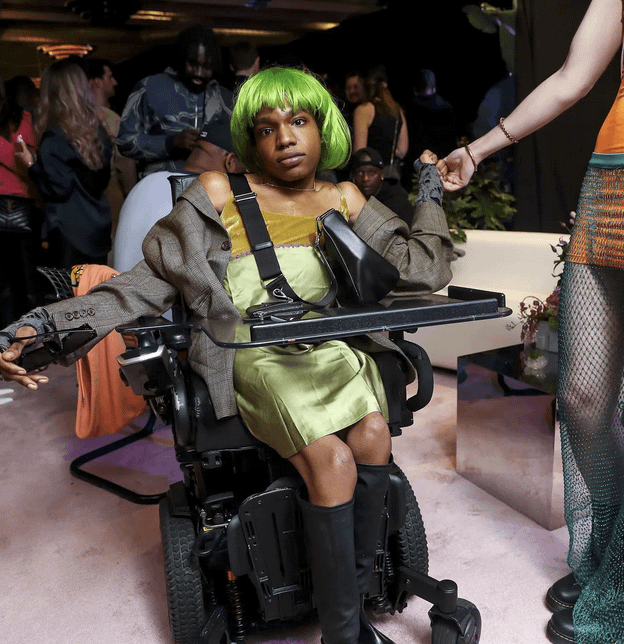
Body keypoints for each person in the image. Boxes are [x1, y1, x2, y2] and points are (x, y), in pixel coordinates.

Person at [0, 66, 452, 644]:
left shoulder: (344, 196)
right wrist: (40, 327)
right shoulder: (217, 193)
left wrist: (432, 189)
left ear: (323, 128)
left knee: (372, 439)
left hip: (332, 348)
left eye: (299, 121)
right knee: (334, 463)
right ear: (250, 140)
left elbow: (425, 269)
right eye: (267, 129)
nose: (285, 137)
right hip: (253, 355)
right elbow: (142, 285)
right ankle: (345, 636)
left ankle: (354, 608)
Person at [442, 2, 624, 644]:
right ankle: (618, 556)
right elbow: (570, 77)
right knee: (583, 397)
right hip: (610, 187)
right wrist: (477, 149)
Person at [113, 115, 245, 273]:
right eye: (245, 169)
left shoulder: (144, 183)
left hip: (120, 290)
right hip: (153, 295)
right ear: (230, 162)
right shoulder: (203, 195)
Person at [15, 59, 112, 269]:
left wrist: (31, 164)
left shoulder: (54, 138)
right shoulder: (99, 133)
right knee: (96, 296)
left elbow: (57, 189)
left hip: (69, 235)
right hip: (98, 233)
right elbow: (100, 182)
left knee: (68, 299)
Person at [116, 24, 233, 178]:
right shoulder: (150, 87)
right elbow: (124, 142)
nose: (198, 72)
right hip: (160, 187)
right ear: (181, 58)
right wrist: (170, 143)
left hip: (209, 192)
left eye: (206, 66)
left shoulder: (223, 97)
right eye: (192, 64)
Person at [80, 57, 137, 241]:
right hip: (111, 197)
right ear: (96, 82)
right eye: (109, 77)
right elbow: (125, 164)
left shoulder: (71, 118)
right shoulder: (111, 120)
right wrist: (132, 196)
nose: (115, 82)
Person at [0, 73, 40, 326]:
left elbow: (28, 163)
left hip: (20, 203)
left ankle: (29, 333)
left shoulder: (22, 118)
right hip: (17, 200)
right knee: (4, 280)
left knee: (26, 276)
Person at [353, 65, 408, 183]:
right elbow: (402, 151)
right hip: (392, 178)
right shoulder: (397, 111)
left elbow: (360, 151)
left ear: (365, 85)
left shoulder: (363, 110)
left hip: (370, 179)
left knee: (370, 203)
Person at [349, 147, 414, 225]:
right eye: (360, 173)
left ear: (382, 174)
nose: (365, 178)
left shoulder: (398, 203)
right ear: (353, 177)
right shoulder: (348, 200)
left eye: (371, 173)